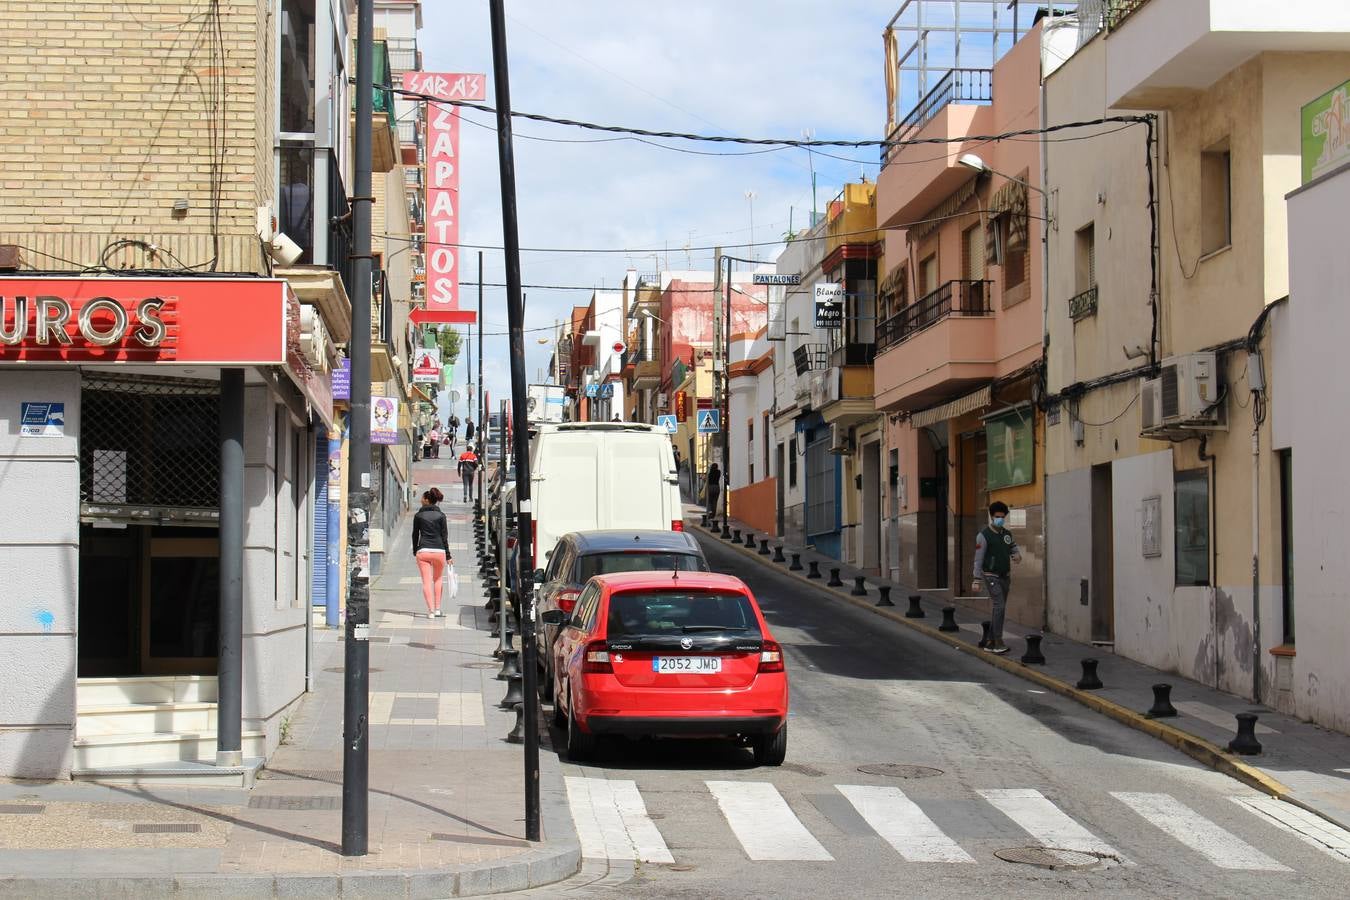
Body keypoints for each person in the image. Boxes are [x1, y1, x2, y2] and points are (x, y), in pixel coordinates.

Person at [972, 500, 1023, 654]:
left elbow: (1012, 546)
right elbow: (978, 559)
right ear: (992, 517)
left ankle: (990, 640)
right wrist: (976, 579)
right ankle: (997, 640)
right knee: (999, 606)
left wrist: (1017, 554)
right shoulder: (983, 536)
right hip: (990, 575)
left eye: (1002, 517)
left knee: (999, 609)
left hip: (1005, 575)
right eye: (997, 517)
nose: (1000, 519)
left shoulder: (1006, 534)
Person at [411, 487, 452, 618]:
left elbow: (415, 535)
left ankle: (431, 612)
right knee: (438, 579)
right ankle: (438, 609)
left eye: (422, 498)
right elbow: (444, 536)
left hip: (423, 550)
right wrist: (448, 555)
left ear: (427, 500)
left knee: (426, 582)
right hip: (439, 551)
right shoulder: (441, 516)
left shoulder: (418, 516)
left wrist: (415, 550)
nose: (420, 500)